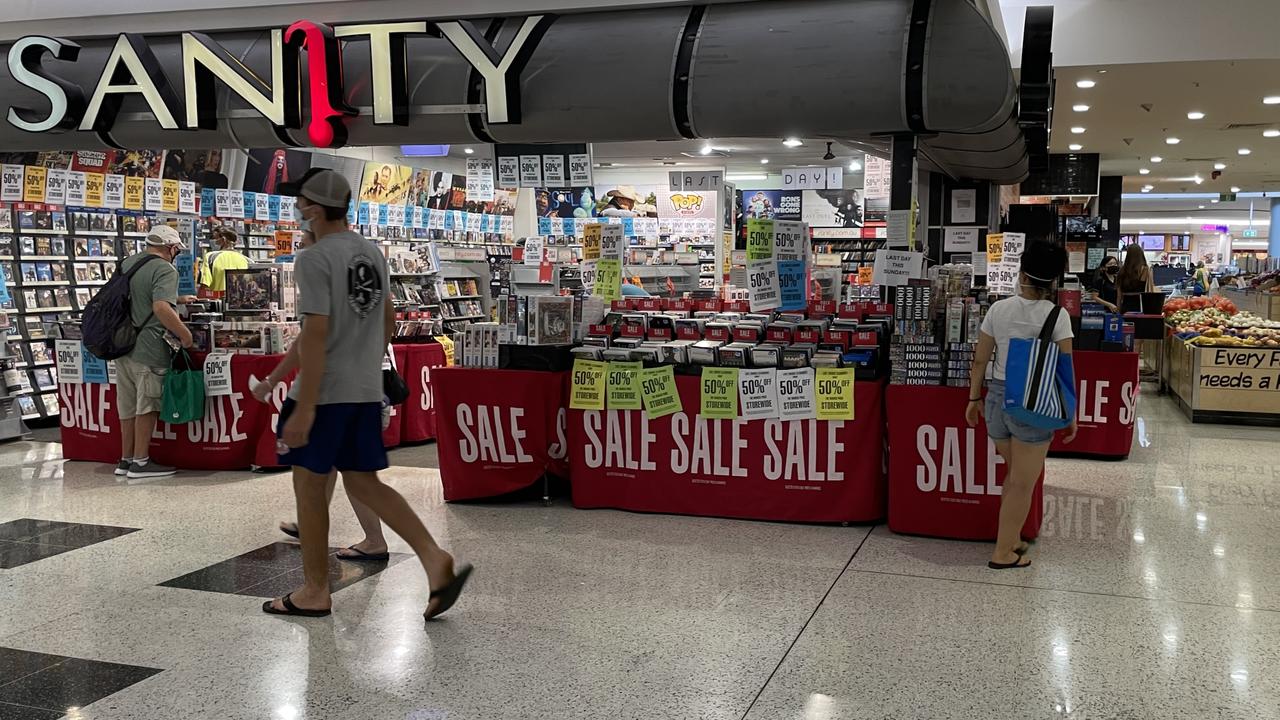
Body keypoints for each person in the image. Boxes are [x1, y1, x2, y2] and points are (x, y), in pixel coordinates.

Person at [264, 169, 471, 620]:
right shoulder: (371, 253)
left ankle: (315, 590)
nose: (297, 209)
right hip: (362, 388)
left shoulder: (314, 260)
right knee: (362, 481)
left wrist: (307, 407)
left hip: (324, 392)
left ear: (315, 209)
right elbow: (389, 323)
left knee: (310, 490)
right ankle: (435, 561)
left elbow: (315, 334)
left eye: (300, 202)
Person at [253, 229, 390, 562]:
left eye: (303, 243)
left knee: (342, 470)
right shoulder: (360, 273)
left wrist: (271, 382)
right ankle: (315, 524)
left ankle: (376, 542)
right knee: (335, 467)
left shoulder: (321, 279)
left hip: (334, 393)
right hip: (363, 388)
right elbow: (389, 318)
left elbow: (305, 345)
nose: (300, 250)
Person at [966, 241, 1077, 570]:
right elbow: (1064, 370)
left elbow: (980, 360)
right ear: (1053, 280)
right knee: (1022, 482)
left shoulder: (998, 309)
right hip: (1034, 404)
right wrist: (1069, 414)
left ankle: (1012, 538)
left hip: (997, 400)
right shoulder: (1057, 316)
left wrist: (974, 398)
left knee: (1015, 476)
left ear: (1022, 272)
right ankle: (1002, 553)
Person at [116, 226, 193, 480]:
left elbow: (139, 297)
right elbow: (160, 307)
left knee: (127, 407)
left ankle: (125, 460)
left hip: (123, 346)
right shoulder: (164, 269)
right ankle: (141, 462)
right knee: (147, 405)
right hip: (148, 347)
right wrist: (184, 334)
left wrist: (179, 300)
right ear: (171, 248)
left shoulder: (128, 263)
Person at [197, 227, 250, 298]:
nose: (213, 241)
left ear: (223, 240)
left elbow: (204, 285)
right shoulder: (247, 260)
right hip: (239, 303)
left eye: (215, 238)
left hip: (217, 303)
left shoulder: (210, 257)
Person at [1116, 244, 1154, 314]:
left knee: (1127, 324)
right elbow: (1148, 287)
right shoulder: (1144, 269)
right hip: (1140, 305)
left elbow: (1119, 295)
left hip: (1125, 306)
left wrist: (1118, 311)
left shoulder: (1122, 271)